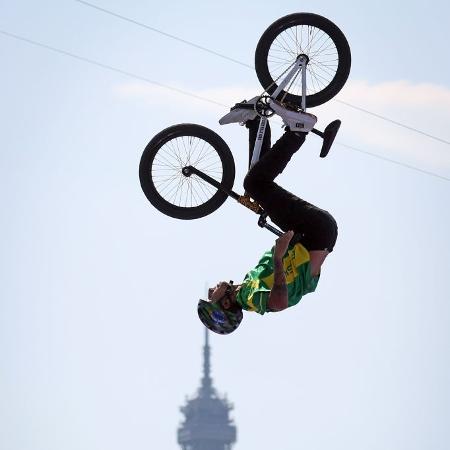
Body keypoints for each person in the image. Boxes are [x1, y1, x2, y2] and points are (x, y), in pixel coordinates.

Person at [197, 98, 338, 335]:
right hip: (316, 234)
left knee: (256, 184)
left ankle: (256, 121)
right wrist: (278, 257)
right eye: (212, 297)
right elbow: (280, 303)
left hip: (306, 234)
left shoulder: (248, 283)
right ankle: (297, 132)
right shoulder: (251, 299)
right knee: (254, 183)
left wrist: (266, 213)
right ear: (226, 303)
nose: (211, 291)